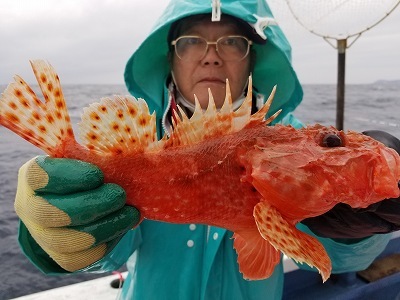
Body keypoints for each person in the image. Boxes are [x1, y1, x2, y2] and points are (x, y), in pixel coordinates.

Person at [14, 0, 400, 299]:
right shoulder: (146, 139)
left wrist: (359, 229)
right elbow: (111, 253)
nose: (211, 54)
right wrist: (55, 234)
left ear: (254, 59)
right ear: (170, 57)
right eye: (191, 40)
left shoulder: (293, 136)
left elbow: (346, 260)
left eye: (232, 41)